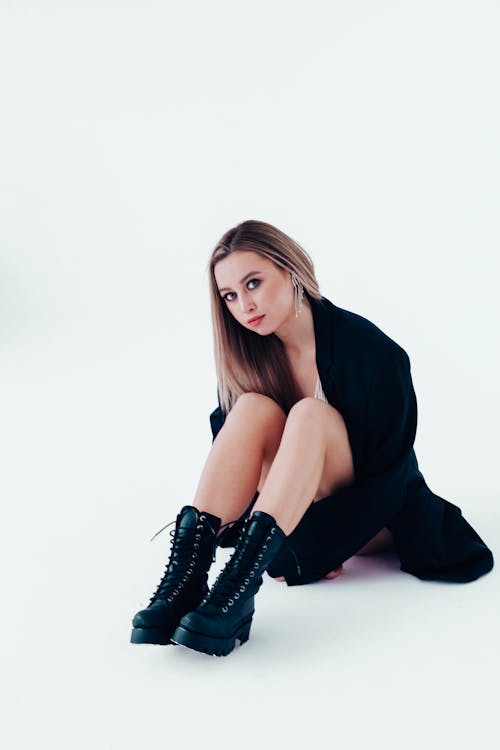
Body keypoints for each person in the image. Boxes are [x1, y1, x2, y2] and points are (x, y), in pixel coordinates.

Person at [130, 219, 494, 657]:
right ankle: (186, 581)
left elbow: (392, 478)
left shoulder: (371, 352)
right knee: (249, 408)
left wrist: (317, 550)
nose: (244, 305)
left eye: (253, 283)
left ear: (290, 270)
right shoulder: (250, 359)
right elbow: (238, 467)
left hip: (374, 510)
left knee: (308, 415)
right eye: (230, 295)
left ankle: (237, 585)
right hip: (289, 511)